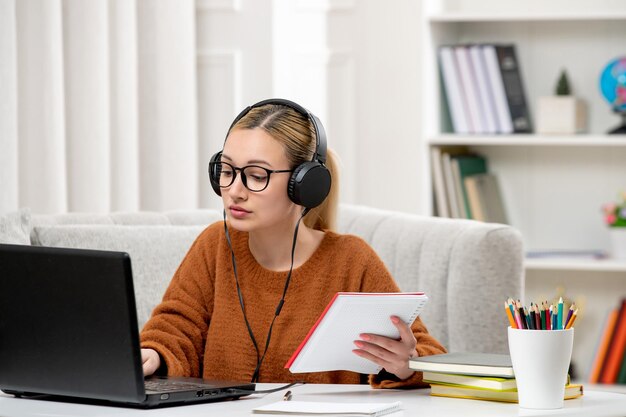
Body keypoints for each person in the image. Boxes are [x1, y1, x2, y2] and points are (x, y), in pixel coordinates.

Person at [140, 98, 446, 388]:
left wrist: (407, 366)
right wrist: (153, 354)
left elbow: (429, 355)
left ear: (304, 184)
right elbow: (176, 327)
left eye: (257, 176)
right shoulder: (214, 245)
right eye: (228, 171)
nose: (234, 190)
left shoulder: (351, 260)